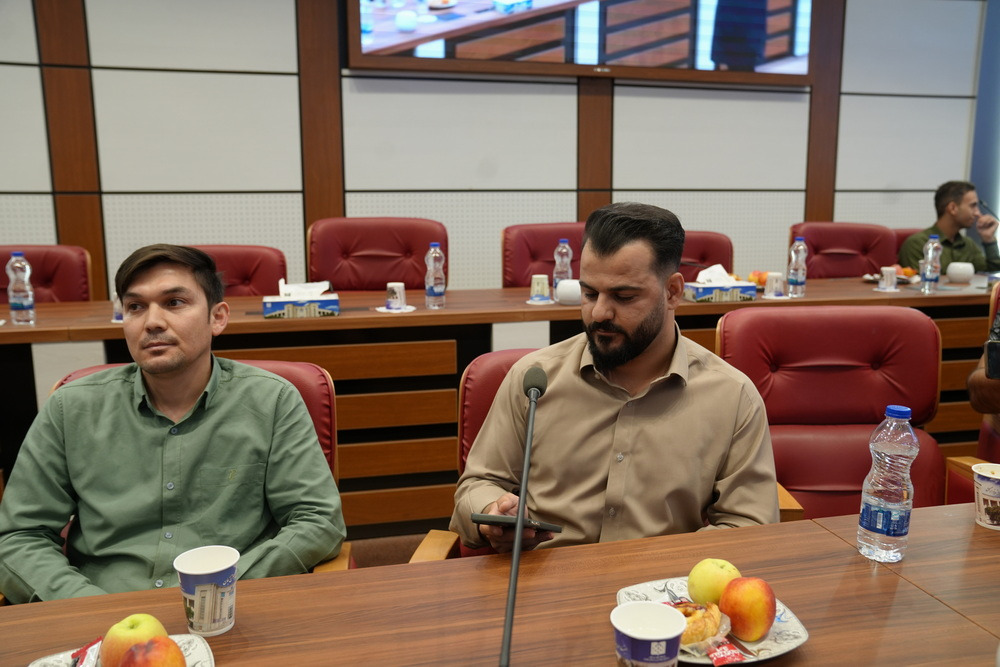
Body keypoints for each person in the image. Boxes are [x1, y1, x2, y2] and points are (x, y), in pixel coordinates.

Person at [0, 244, 346, 603]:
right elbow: (20, 536)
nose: (152, 322)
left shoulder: (271, 401)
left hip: (234, 610)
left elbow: (317, 520)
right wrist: (90, 608)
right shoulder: (71, 407)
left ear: (217, 318)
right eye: (135, 307)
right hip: (100, 610)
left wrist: (215, 592)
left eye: (174, 302)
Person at [451, 203, 778, 552]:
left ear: (672, 292)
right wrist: (493, 511)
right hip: (545, 577)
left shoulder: (731, 396)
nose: (599, 312)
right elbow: (477, 485)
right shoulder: (534, 380)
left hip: (666, 583)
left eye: (624, 297)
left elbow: (749, 528)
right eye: (589, 293)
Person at [898, 180, 1000, 273]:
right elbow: (917, 283)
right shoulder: (918, 244)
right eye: (973, 206)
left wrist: (989, 240)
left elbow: (993, 274)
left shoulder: (968, 244)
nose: (978, 213)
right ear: (953, 208)